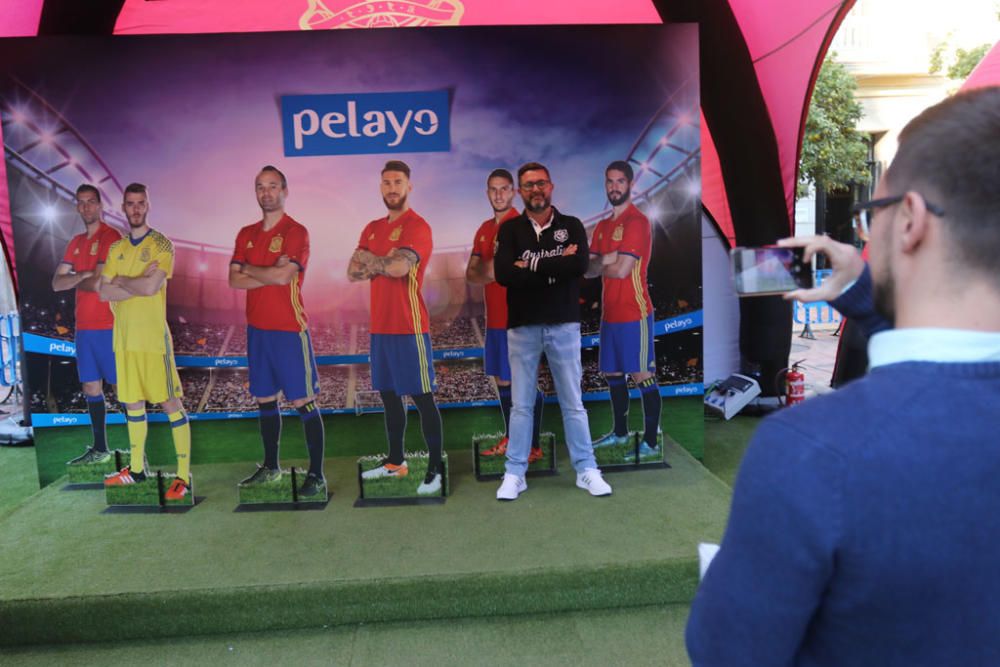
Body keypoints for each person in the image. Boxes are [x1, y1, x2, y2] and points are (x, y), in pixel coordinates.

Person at [687, 87, 1000, 666]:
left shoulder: (812, 450)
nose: (864, 234)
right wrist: (867, 291)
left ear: (909, 221)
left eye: (871, 214)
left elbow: (726, 650)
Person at [493, 162, 612, 500]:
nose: (535, 190)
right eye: (528, 185)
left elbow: (578, 266)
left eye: (541, 183)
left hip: (563, 323)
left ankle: (586, 469)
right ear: (520, 191)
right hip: (522, 326)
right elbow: (504, 274)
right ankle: (515, 473)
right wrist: (554, 264)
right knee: (521, 405)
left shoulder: (571, 225)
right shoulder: (510, 229)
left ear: (551, 186)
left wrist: (529, 264)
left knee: (573, 402)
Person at [229, 166, 326, 497]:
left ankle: (316, 474)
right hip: (257, 331)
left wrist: (254, 271)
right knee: (264, 399)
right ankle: (271, 468)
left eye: (272, 186)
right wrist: (271, 270)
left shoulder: (297, 231)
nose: (266, 192)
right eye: (260, 187)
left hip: (288, 328)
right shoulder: (245, 233)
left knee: (302, 400)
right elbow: (233, 279)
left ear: (285, 191)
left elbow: (284, 278)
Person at [348, 160, 443, 496]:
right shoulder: (372, 227)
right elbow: (352, 271)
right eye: (386, 182)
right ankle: (395, 462)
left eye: (398, 182)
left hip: (409, 326)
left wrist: (375, 261)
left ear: (409, 186)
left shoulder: (418, 226)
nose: (392, 188)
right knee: (389, 397)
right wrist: (381, 262)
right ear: (380, 187)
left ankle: (435, 469)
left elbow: (400, 267)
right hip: (380, 328)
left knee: (422, 397)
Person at [98, 183, 192, 501]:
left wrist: (124, 281)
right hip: (123, 340)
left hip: (153, 340)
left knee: (170, 404)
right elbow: (103, 291)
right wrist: (135, 282)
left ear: (148, 205)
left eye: (141, 203)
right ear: (123, 207)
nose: (135, 209)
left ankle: (183, 478)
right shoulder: (116, 249)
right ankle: (137, 472)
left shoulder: (162, 244)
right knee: (133, 405)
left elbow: (152, 288)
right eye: (130, 204)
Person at [465, 168, 545, 463]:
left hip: (520, 318)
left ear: (513, 192)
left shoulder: (524, 226)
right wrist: (497, 268)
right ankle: (513, 438)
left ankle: (534, 445)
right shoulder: (484, 229)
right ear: (488, 193)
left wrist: (491, 268)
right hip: (495, 319)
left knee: (523, 383)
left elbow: (506, 271)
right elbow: (472, 276)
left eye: (504, 189)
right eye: (493, 189)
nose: (498, 194)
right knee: (502, 380)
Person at [586, 161, 661, 461]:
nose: (614, 187)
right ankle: (619, 433)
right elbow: (590, 269)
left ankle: (651, 443)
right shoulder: (602, 227)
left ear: (630, 185)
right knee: (613, 374)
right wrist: (610, 256)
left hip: (635, 312)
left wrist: (606, 259)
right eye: (609, 182)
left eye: (620, 181)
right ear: (605, 185)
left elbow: (620, 270)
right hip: (610, 315)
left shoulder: (637, 222)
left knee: (642, 375)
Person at [52, 184, 122, 466]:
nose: (86, 207)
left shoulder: (111, 236)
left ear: (100, 205)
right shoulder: (76, 242)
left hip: (109, 325)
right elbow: (57, 283)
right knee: (91, 389)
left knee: (122, 390)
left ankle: (138, 453)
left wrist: (81, 277)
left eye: (91, 202)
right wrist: (84, 273)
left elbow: (99, 281)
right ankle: (100, 449)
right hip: (84, 329)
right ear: (77, 207)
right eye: (81, 203)